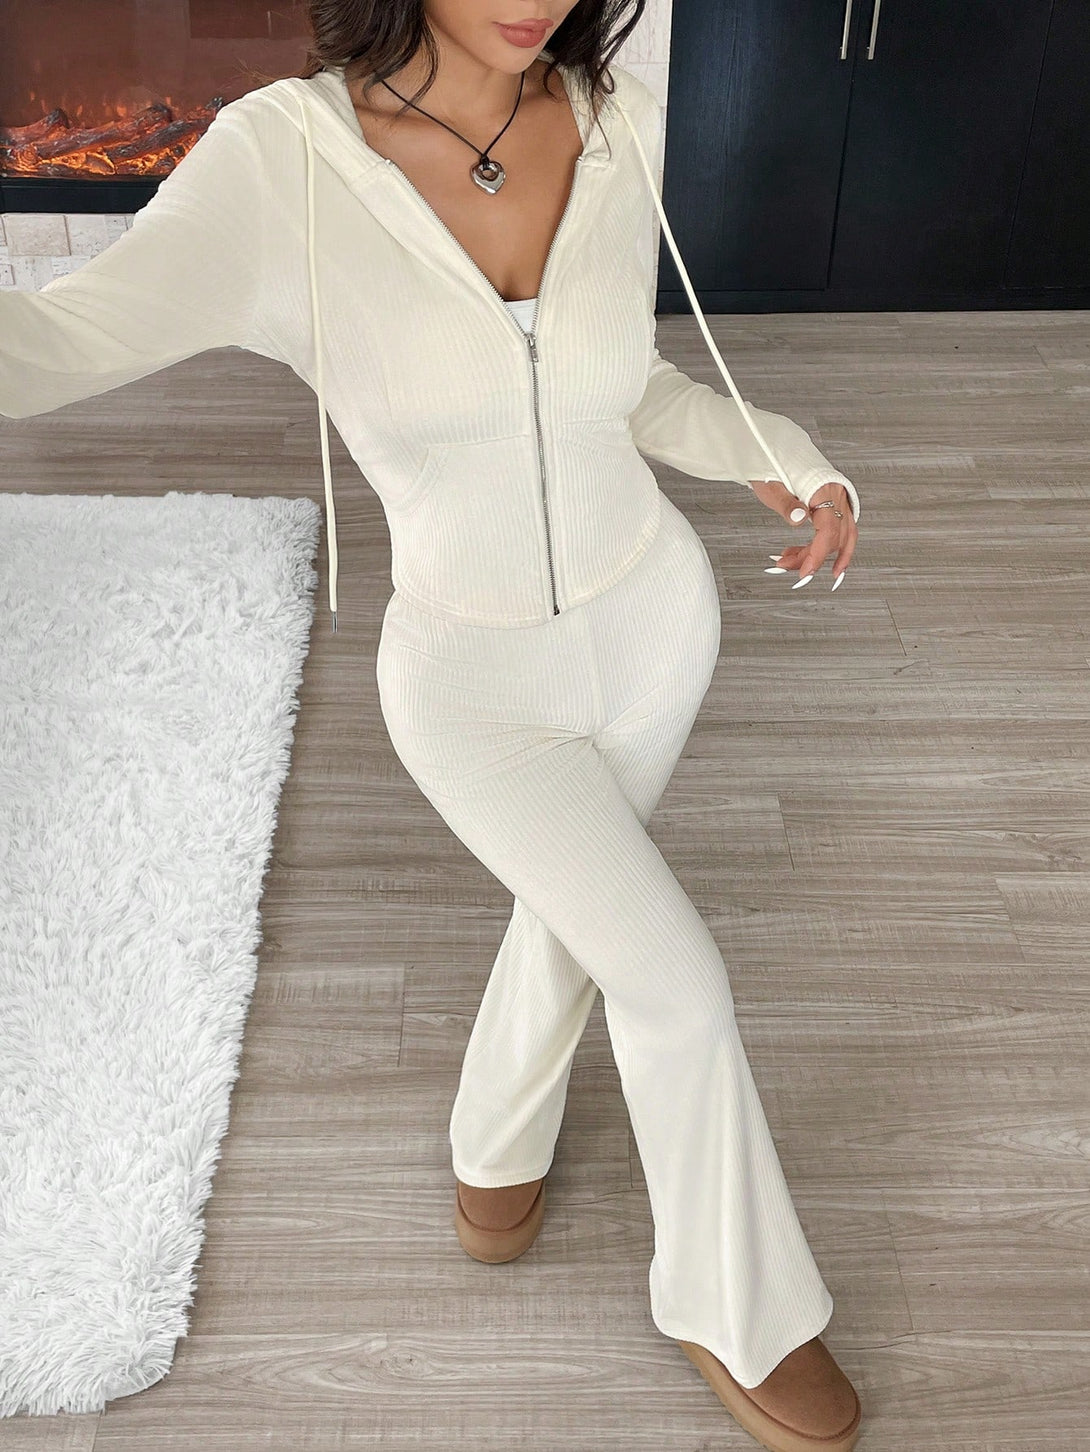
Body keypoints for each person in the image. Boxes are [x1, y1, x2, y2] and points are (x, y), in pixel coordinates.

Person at [0, 3, 863, 1447]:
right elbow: (47, 344)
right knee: (677, 986)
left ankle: (494, 1152)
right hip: (472, 690)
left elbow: (627, 384)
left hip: (655, 627)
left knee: (579, 915)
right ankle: (740, 1307)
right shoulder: (278, 163)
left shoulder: (615, 121)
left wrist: (788, 455)